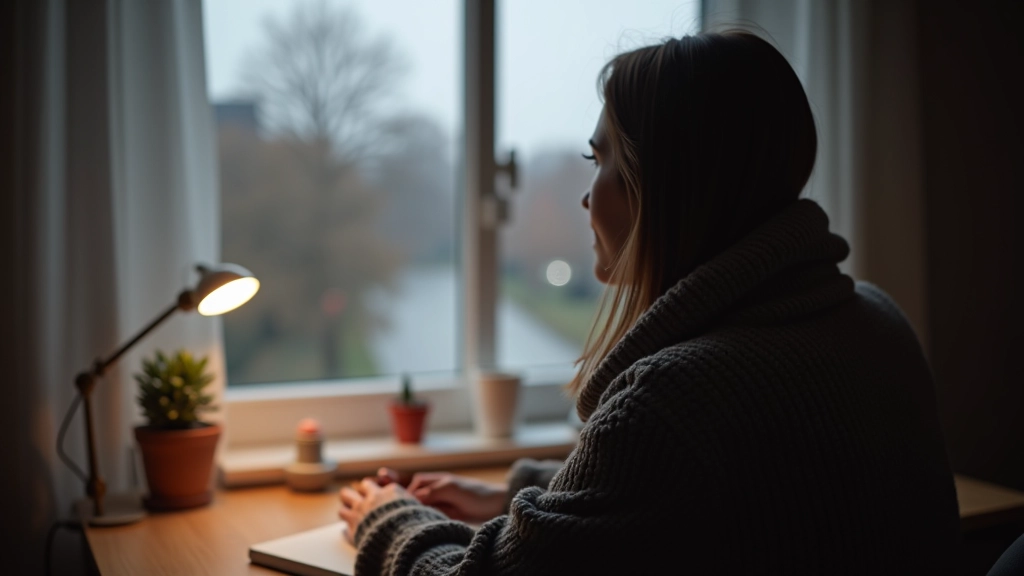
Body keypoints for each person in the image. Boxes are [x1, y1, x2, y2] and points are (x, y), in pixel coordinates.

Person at [337, 29, 961, 575]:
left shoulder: (670, 400)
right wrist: (513, 494)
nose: (586, 198)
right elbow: (689, 498)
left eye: (600, 159)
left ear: (662, 186)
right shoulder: (879, 320)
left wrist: (388, 519)